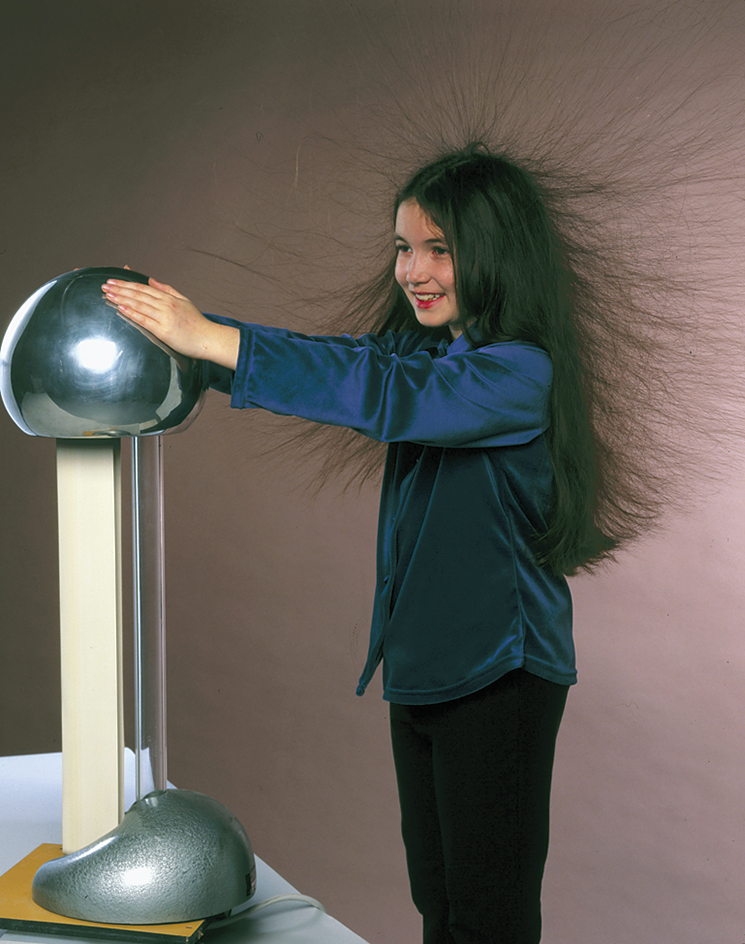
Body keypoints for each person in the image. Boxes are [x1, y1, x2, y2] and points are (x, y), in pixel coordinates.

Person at [102, 144, 617, 944]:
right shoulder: (430, 353)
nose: (412, 270)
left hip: (500, 674)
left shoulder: (517, 375)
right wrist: (186, 342)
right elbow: (349, 362)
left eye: (438, 249)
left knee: (488, 915)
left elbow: (388, 396)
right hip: (421, 670)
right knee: (438, 900)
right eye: (404, 247)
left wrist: (209, 340)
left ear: (496, 253)